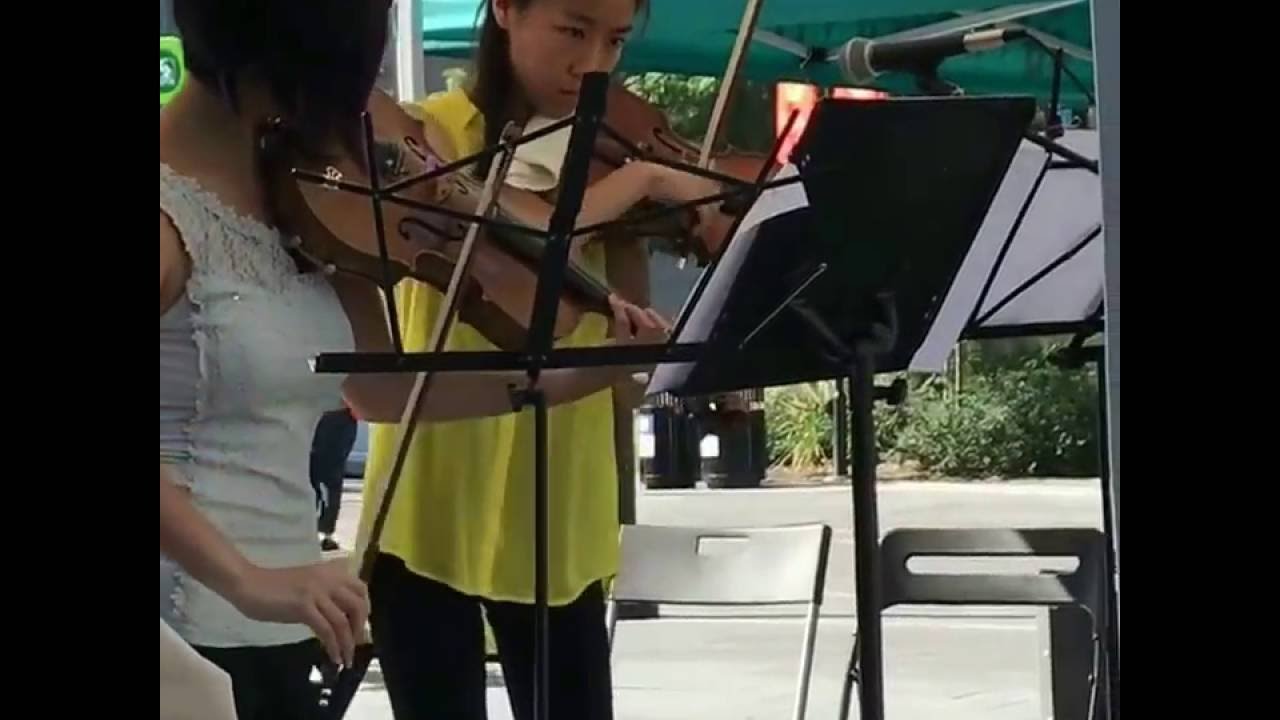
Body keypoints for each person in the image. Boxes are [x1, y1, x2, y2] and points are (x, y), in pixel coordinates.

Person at [158, 1, 670, 718]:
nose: (360, 109)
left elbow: (384, 391)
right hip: (179, 637)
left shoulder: (304, 193)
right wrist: (244, 579)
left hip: (285, 620)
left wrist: (570, 379)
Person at [358, 1, 724, 718]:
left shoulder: (605, 145)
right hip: (429, 489)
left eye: (615, 41)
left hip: (560, 498)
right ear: (505, 10)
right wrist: (642, 182)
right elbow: (504, 222)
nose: (593, 65)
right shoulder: (426, 131)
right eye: (572, 30)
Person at [309, 406, 358, 551]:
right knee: (325, 478)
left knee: (321, 476)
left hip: (331, 415)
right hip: (333, 414)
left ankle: (322, 530)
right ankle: (323, 531)